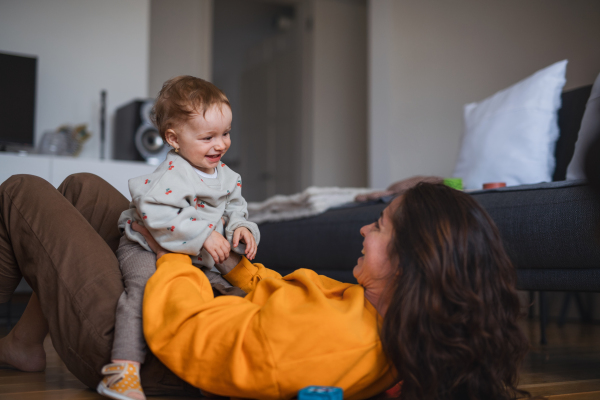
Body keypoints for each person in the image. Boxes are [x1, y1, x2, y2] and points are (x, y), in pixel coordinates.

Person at [0, 174, 530, 400]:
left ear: (413, 264)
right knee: (84, 191)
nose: (364, 228)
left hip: (147, 347)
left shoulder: (339, 340)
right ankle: (24, 344)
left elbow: (191, 335)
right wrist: (231, 263)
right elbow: (283, 297)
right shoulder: (374, 306)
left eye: (381, 226)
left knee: (22, 193)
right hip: (191, 307)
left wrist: (170, 254)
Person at [99, 76, 260, 400]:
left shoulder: (227, 176)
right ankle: (122, 369)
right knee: (143, 292)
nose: (220, 144)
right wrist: (203, 235)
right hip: (143, 245)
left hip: (194, 256)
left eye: (225, 133)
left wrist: (241, 227)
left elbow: (234, 206)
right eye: (207, 137)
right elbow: (155, 214)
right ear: (174, 138)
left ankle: (217, 369)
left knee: (228, 297)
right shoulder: (172, 175)